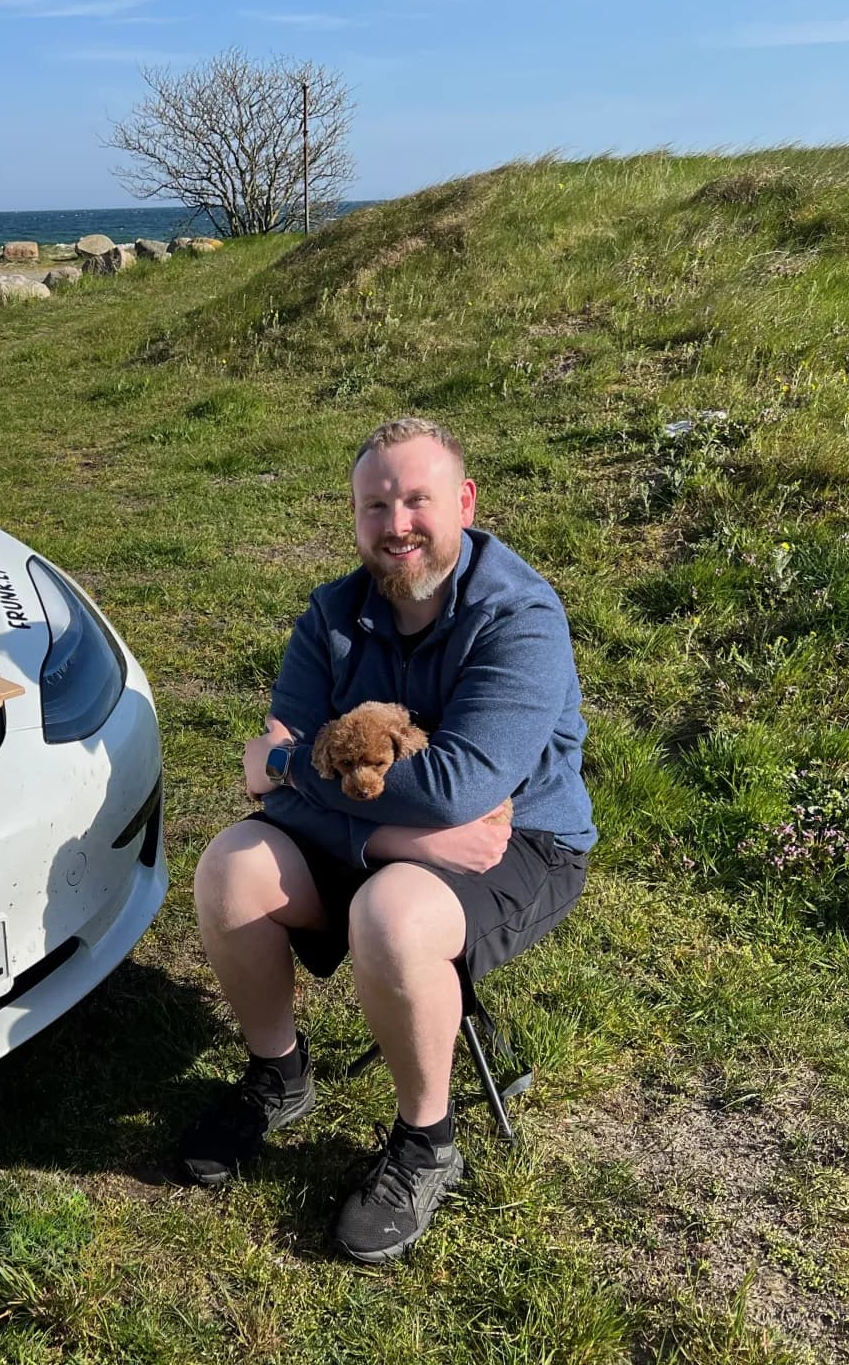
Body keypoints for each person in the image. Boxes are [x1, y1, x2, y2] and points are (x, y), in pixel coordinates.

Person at [178, 416, 596, 1262]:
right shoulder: (332, 614)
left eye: (416, 500)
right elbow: (277, 784)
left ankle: (425, 1141)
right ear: (356, 516)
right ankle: (279, 1075)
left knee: (393, 918)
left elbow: (456, 790)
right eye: (376, 505)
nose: (396, 523)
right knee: (231, 868)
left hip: (520, 842)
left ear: (465, 502)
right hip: (418, 845)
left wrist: (294, 769)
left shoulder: (520, 616)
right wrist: (396, 841)